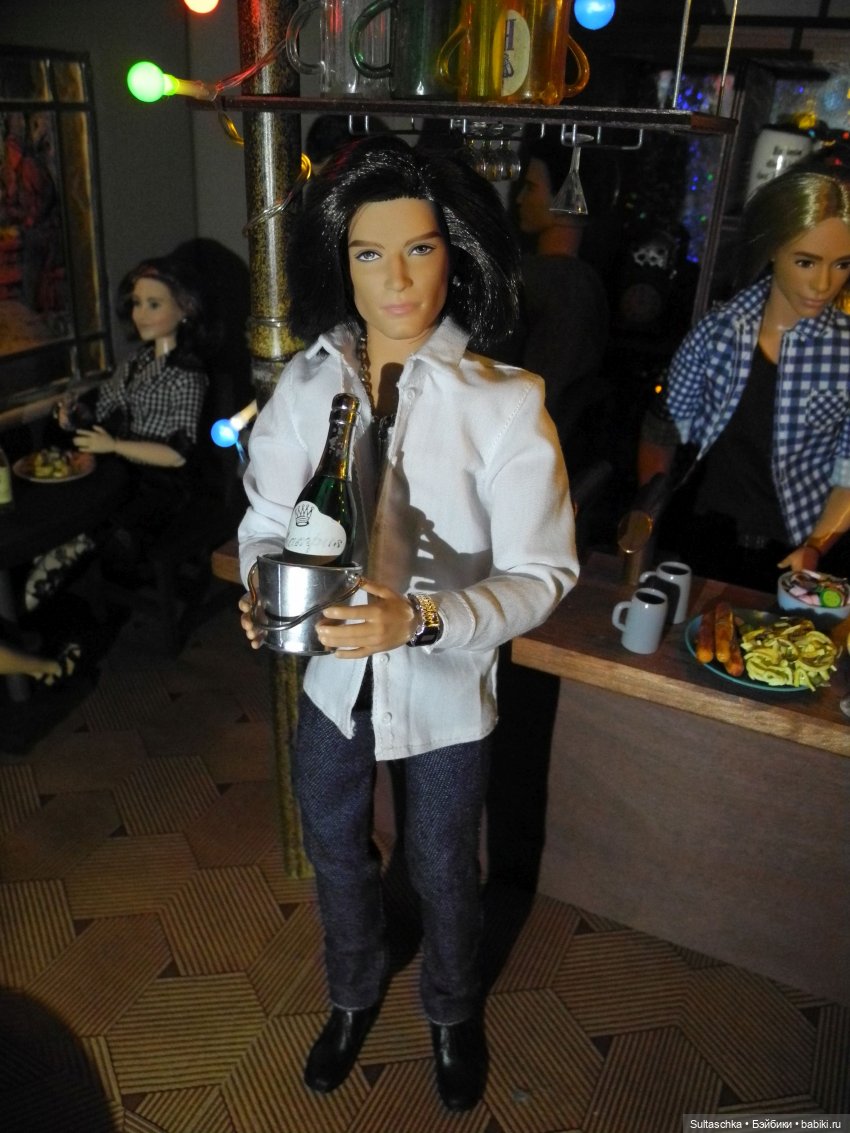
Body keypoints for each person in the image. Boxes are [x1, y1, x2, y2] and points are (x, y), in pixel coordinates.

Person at [237, 134, 578, 1112]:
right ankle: (352, 991)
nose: (396, 278)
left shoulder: (504, 403)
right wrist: (261, 587)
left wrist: (423, 618)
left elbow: (544, 572)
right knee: (334, 846)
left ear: (454, 254)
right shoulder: (306, 385)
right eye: (369, 252)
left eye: (420, 248)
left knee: (441, 862)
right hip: (330, 681)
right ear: (339, 261)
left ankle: (451, 1007)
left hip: (444, 688)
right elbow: (265, 517)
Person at [638, 168, 850, 591]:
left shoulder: (844, 354)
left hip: (798, 556)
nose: (824, 283)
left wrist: (816, 545)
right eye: (806, 262)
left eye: (842, 264)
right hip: (704, 538)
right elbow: (662, 431)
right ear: (773, 251)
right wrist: (647, 516)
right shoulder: (717, 334)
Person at [25, 255, 211, 609]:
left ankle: (69, 567)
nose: (141, 314)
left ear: (185, 309)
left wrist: (113, 444)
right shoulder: (135, 362)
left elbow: (177, 454)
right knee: (71, 499)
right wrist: (73, 415)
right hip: (122, 470)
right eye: (137, 303)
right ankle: (57, 566)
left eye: (154, 304)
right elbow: (103, 409)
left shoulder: (188, 375)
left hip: (162, 484)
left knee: (105, 520)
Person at [511, 133, 610, 474]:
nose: (520, 199)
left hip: (526, 455)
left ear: (567, 196)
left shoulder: (562, 284)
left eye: (531, 188)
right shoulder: (576, 280)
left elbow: (544, 391)